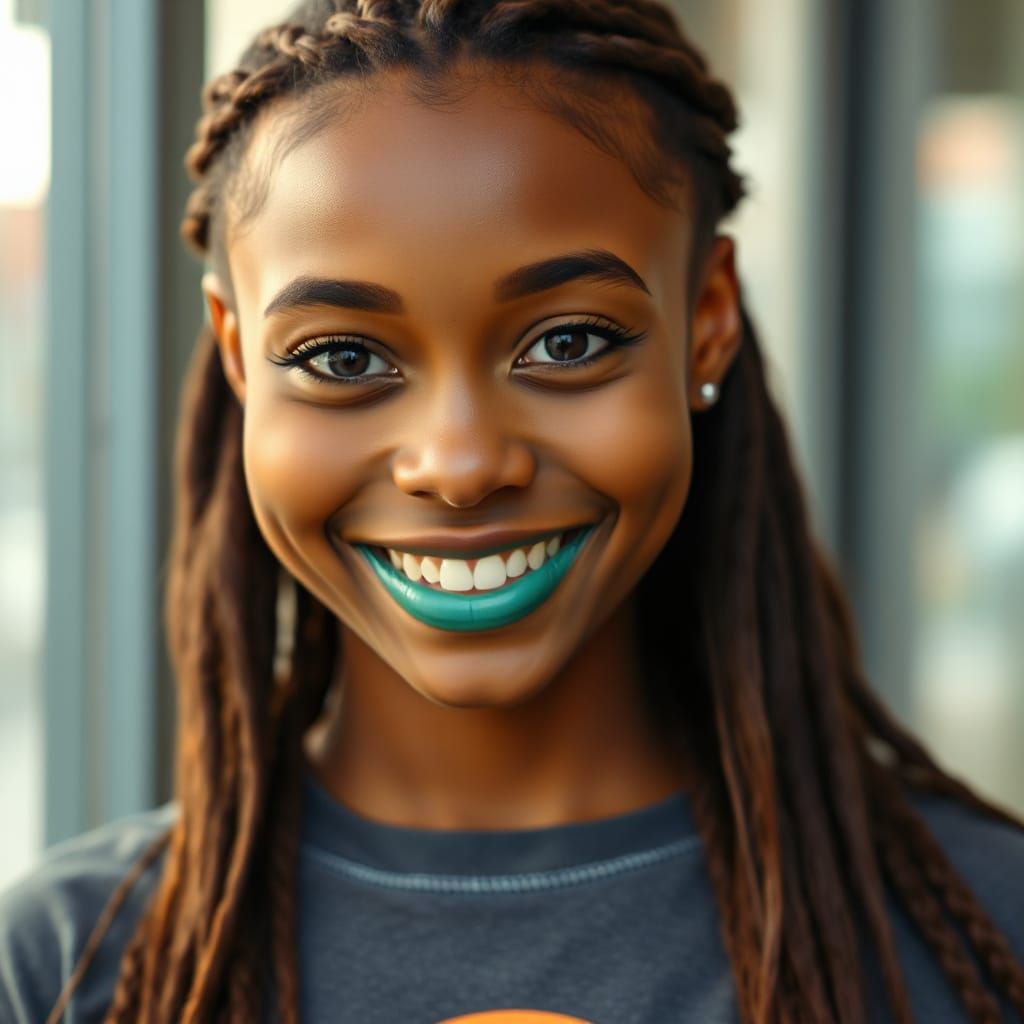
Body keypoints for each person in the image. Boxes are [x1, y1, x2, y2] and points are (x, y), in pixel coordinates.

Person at [2, 0, 1023, 1021]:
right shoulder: (66, 965)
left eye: (568, 342)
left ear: (705, 322)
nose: (459, 465)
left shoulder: (986, 937)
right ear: (235, 354)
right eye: (344, 358)